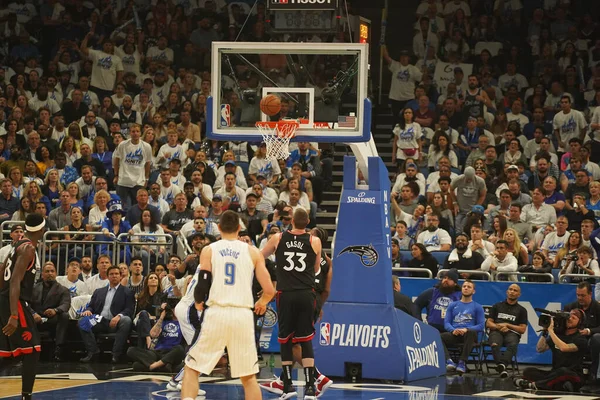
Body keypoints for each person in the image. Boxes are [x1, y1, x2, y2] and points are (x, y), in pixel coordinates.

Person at [180, 210, 275, 400]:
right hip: (242, 315)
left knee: (191, 368)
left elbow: (203, 282)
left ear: (219, 228)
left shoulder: (209, 249)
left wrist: (198, 302)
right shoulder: (253, 252)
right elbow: (270, 290)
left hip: (217, 312)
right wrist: (262, 302)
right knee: (248, 377)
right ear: (239, 229)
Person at [261, 208, 322, 398]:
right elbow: (316, 267)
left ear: (291, 222)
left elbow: (259, 256)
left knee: (286, 339)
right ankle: (310, 386)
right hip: (305, 293)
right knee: (305, 339)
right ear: (308, 222)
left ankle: (287, 386)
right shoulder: (315, 241)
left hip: (285, 293)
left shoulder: (278, 238)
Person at [0, 213, 47, 400]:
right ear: (42, 230)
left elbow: (2, 271)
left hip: (5, 300)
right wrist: (13, 314)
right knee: (33, 349)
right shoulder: (28, 249)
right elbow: (14, 282)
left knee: (11, 352)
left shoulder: (15, 245)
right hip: (14, 302)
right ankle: (26, 396)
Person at [513, 309, 587, 391]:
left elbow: (564, 348)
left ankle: (535, 385)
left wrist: (551, 331)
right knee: (529, 371)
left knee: (562, 371)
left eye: (573, 318)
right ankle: (557, 385)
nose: (569, 319)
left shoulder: (581, 339)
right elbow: (540, 349)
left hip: (574, 374)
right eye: (569, 317)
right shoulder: (558, 335)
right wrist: (545, 332)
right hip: (554, 373)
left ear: (580, 322)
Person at [79, 265, 135, 363]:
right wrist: (88, 310)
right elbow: (91, 306)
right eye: (111, 274)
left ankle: (116, 354)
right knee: (82, 321)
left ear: (121, 276)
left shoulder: (128, 292)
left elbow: (129, 309)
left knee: (126, 320)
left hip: (117, 322)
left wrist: (119, 316)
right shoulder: (99, 291)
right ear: (108, 277)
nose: (114, 276)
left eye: (116, 274)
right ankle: (93, 351)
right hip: (100, 321)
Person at [29, 262, 71, 362]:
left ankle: (58, 348)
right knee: (22, 314)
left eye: (52, 271)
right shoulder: (34, 288)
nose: (50, 273)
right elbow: (26, 304)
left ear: (56, 274)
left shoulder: (63, 289)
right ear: (42, 274)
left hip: (52, 319)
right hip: (35, 318)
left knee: (64, 316)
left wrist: (55, 310)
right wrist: (34, 314)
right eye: (47, 271)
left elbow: (66, 304)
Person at [442, 280, 485, 374]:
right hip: (455, 334)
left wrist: (466, 329)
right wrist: (453, 330)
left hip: (469, 336)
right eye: (464, 286)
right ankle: (449, 361)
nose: (466, 288)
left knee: (471, 332)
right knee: (438, 336)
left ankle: (462, 362)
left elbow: (481, 325)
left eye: (469, 287)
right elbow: (447, 323)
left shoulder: (477, 307)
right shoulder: (452, 305)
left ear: (473, 291)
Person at [486, 284, 528, 378]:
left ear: (519, 294)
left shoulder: (522, 310)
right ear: (507, 292)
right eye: (510, 289)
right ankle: (502, 367)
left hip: (512, 333)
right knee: (494, 344)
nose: (512, 292)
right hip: (496, 331)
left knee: (513, 345)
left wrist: (508, 325)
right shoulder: (497, 306)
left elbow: (522, 329)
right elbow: (488, 323)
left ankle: (502, 366)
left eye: (515, 290)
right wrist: (499, 327)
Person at [564, 282, 600, 382]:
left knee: (597, 338)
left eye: (583, 295)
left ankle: (594, 374)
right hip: (573, 338)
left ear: (590, 294)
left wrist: (589, 331)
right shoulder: (570, 308)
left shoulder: (598, 308)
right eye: (578, 295)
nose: (580, 298)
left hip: (590, 340)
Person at [113, 124, 152, 211]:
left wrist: (146, 179)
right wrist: (116, 175)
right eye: (133, 131)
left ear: (140, 133)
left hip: (138, 181)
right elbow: (116, 160)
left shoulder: (146, 146)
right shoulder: (123, 145)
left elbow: (148, 164)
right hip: (123, 181)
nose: (135, 133)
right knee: (123, 208)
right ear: (130, 133)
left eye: (137, 131)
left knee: (138, 207)